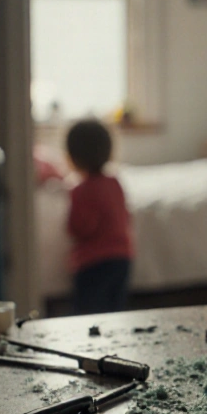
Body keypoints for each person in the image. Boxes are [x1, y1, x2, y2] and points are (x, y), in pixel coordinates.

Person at [66, 119, 133, 314]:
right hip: (123, 258)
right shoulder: (115, 183)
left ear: (73, 157)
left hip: (93, 263)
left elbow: (80, 227)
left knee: (88, 314)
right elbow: (125, 217)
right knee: (115, 309)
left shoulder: (81, 190)